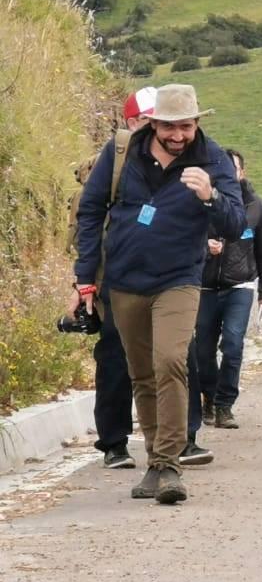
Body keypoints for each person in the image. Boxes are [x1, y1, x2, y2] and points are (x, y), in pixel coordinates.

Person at [73, 84, 244, 505]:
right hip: (124, 279)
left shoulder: (213, 159)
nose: (178, 135)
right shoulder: (121, 154)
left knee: (170, 360)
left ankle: (169, 464)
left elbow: (235, 223)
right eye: (169, 126)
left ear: (197, 123)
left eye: (185, 126)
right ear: (153, 123)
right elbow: (91, 211)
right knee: (142, 373)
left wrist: (211, 196)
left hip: (179, 278)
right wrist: (84, 278)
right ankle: (156, 460)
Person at [72, 86, 155, 470]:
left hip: (167, 275)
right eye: (145, 120)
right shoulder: (115, 159)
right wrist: (85, 280)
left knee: (177, 355)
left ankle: (182, 438)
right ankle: (114, 442)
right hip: (114, 276)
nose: (152, 128)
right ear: (129, 122)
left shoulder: (181, 155)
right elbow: (86, 218)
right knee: (115, 358)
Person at [192, 148, 262, 432]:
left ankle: (225, 404)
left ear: (242, 172)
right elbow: (182, 238)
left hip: (239, 285)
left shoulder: (256, 207)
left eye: (233, 168)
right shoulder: (198, 202)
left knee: (233, 343)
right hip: (203, 285)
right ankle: (209, 397)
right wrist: (205, 247)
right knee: (202, 350)